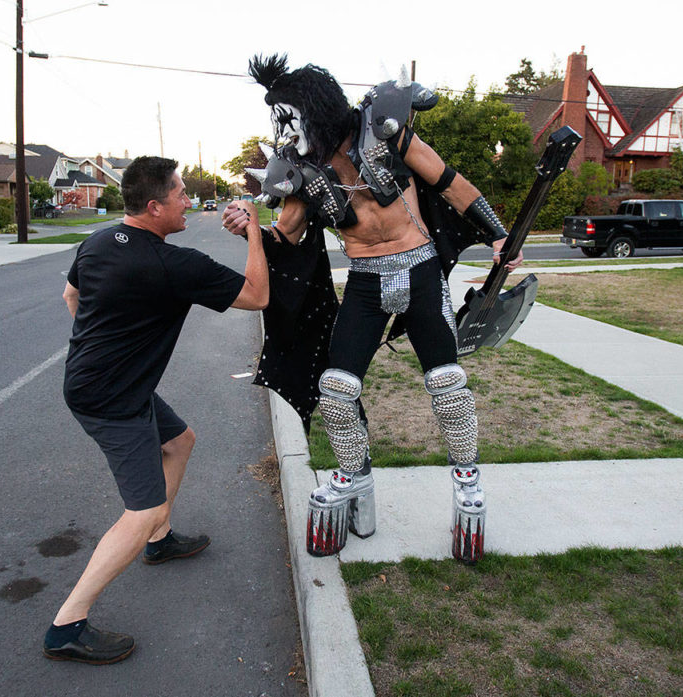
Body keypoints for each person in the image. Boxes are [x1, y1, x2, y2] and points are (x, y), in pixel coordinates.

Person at [223, 55, 522, 564]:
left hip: (422, 270)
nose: (284, 128)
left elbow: (449, 181)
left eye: (289, 114)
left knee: (447, 384)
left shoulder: (382, 130)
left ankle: (468, 479)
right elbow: (287, 236)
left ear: (313, 108)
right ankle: (353, 474)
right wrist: (250, 224)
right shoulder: (302, 171)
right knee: (337, 389)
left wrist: (500, 235)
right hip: (364, 281)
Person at [45, 156, 268, 664]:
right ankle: (66, 626)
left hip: (100, 383)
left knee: (180, 440)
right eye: (181, 193)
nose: (188, 200)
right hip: (111, 399)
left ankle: (160, 540)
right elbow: (257, 295)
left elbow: (71, 295)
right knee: (139, 510)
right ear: (154, 206)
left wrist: (102, 347)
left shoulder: (99, 241)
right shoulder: (175, 265)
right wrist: (254, 231)